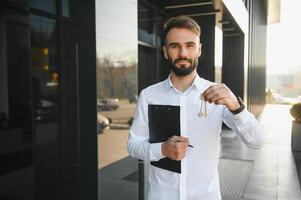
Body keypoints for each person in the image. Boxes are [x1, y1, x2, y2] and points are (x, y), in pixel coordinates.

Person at [127, 16, 263, 200]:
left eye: (190, 45)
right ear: (165, 51)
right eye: (175, 46)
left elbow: (256, 141)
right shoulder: (149, 95)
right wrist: (163, 150)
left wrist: (236, 106)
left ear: (199, 49)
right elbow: (133, 146)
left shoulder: (217, 94)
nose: (183, 53)